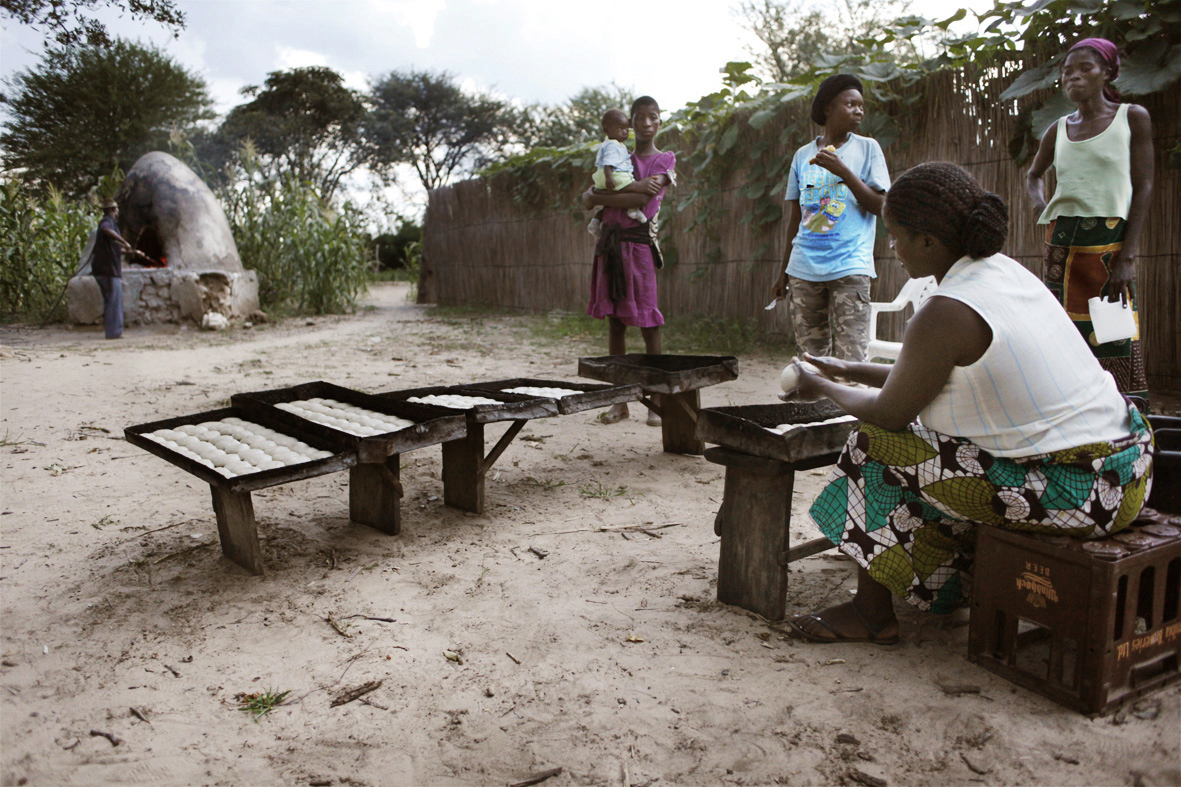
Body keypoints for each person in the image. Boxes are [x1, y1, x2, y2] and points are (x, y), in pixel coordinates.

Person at [783, 162, 1153, 644]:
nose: (892, 250)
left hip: (1078, 493)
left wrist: (823, 387)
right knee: (940, 453)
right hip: (1130, 469)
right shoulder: (1002, 274)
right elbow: (931, 376)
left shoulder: (946, 311)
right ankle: (948, 583)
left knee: (874, 445)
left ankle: (872, 612)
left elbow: (892, 411)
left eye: (895, 237)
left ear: (929, 243)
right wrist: (848, 369)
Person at [1026, 38, 1154, 404]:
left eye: (1086, 69)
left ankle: (1125, 419)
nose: (1074, 77)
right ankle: (1069, 412)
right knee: (1060, 332)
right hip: (1061, 244)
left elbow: (1144, 186)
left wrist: (1127, 258)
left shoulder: (1131, 118)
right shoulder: (1059, 129)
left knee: (1114, 334)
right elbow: (1034, 175)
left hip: (1109, 244)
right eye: (1068, 71)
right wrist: (1040, 207)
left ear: (1108, 73)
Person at [770, 74, 890, 365]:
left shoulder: (867, 149)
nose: (858, 111)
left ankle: (852, 412)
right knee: (811, 361)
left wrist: (844, 172)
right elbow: (796, 218)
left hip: (850, 266)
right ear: (827, 109)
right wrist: (784, 269)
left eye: (861, 106)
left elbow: (881, 205)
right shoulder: (802, 156)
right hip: (804, 268)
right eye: (850, 104)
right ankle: (812, 410)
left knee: (852, 358)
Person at [582, 96, 676, 426]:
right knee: (616, 322)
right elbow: (586, 198)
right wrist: (596, 196)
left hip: (638, 249)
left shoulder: (665, 159)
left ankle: (657, 401)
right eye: (640, 118)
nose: (647, 123)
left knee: (649, 323)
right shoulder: (617, 153)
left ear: (659, 122)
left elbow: (641, 198)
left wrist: (600, 197)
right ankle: (619, 402)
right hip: (610, 248)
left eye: (653, 117)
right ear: (631, 123)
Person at [587, 108, 648, 236]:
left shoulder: (615, 144)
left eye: (626, 129)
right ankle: (632, 209)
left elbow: (619, 156)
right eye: (620, 129)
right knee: (634, 186)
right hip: (613, 175)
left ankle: (596, 220)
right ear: (607, 130)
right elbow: (608, 163)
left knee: (610, 202)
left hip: (603, 177)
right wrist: (609, 177)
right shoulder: (612, 145)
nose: (625, 132)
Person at [91, 200, 144, 339]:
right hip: (107, 270)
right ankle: (113, 333)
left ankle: (113, 332)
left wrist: (132, 252)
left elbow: (114, 249)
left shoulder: (112, 225)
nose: (118, 212)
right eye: (116, 210)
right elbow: (105, 229)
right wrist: (124, 241)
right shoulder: (107, 222)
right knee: (114, 301)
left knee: (112, 300)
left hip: (106, 269)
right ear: (113, 210)